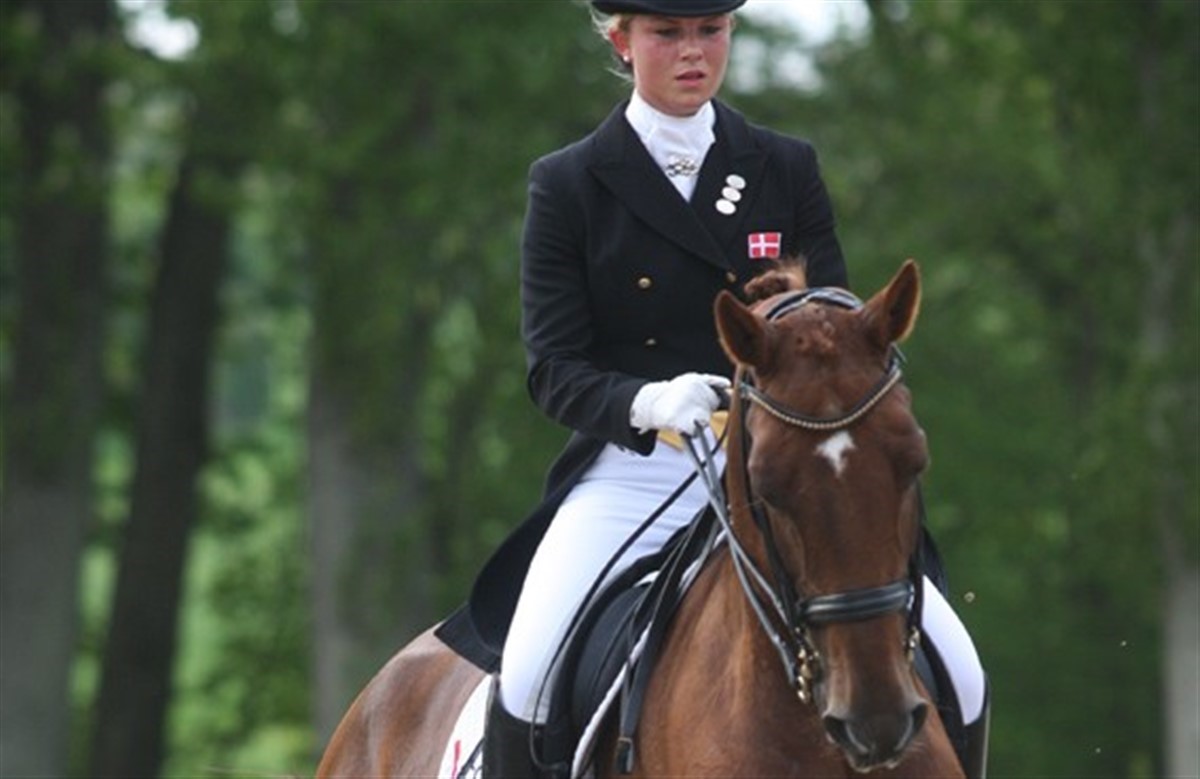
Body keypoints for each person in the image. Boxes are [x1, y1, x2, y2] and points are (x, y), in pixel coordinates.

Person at [433, 1, 990, 776]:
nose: (692, 51)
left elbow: (834, 330)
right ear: (622, 40)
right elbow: (552, 367)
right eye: (667, 33)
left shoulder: (783, 166)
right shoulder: (569, 183)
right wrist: (646, 402)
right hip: (636, 469)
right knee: (529, 671)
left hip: (790, 469)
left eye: (710, 30)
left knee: (962, 669)